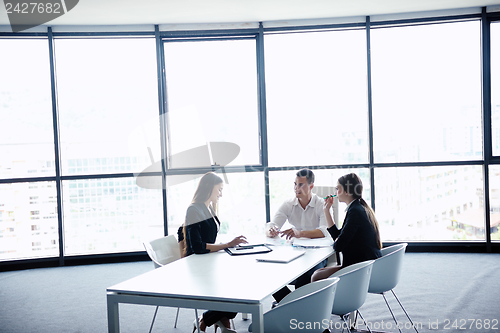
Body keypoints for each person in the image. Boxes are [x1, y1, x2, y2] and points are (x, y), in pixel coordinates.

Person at [182, 172, 247, 333]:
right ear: (208, 188)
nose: (221, 194)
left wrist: (228, 245)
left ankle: (214, 319)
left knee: (242, 282)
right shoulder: (194, 209)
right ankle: (210, 319)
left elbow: (209, 239)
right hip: (198, 264)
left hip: (209, 260)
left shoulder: (209, 207)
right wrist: (227, 244)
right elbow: (197, 246)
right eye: (219, 190)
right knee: (236, 289)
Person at [265, 168, 330, 302]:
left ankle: (296, 308)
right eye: (295, 184)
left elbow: (325, 231)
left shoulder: (321, 204)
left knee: (305, 279)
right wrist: (271, 230)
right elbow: (272, 224)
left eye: (301, 184)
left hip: (317, 254)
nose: (296, 188)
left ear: (311, 186)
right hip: (294, 252)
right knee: (270, 275)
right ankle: (289, 304)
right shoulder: (288, 204)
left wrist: (299, 233)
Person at [311, 173, 382, 282]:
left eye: (338, 189)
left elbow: (338, 246)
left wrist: (338, 241)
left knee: (316, 276)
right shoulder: (357, 207)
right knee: (317, 273)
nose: (335, 193)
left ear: (347, 192)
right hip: (364, 264)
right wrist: (326, 211)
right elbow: (338, 237)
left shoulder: (355, 212)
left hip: (361, 268)